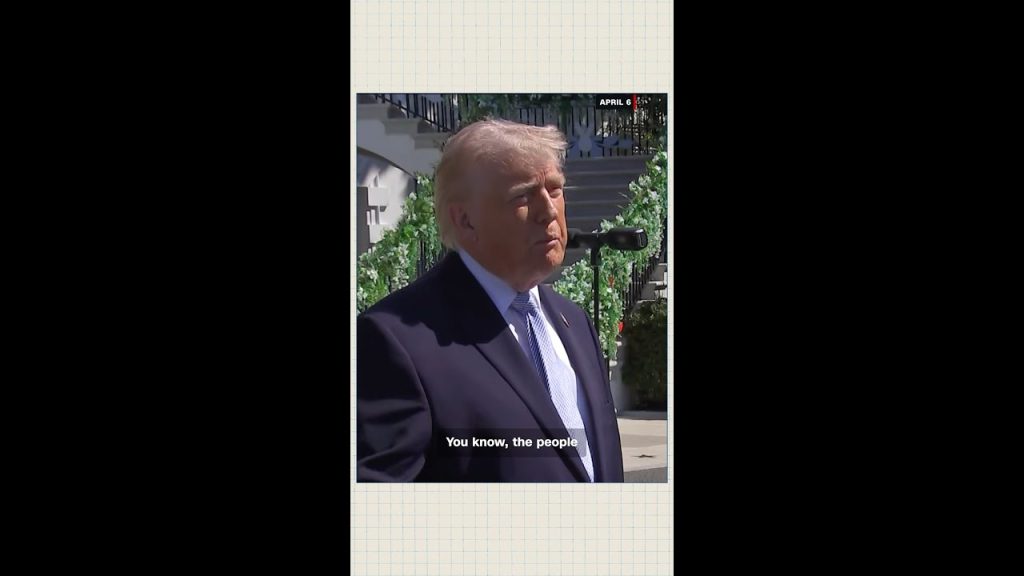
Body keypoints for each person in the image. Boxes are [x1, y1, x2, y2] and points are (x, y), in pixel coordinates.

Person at [357, 119, 624, 482]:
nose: (549, 211)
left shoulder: (573, 321)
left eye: (555, 190)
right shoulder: (396, 340)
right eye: (523, 196)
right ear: (465, 220)